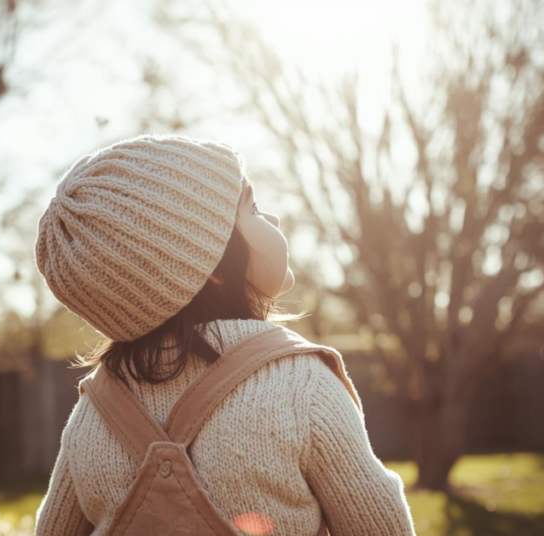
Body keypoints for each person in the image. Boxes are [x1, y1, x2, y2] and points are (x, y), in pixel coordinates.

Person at [33, 134, 416, 535]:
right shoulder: (301, 387)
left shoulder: (93, 414)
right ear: (212, 266)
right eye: (252, 209)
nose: (274, 220)